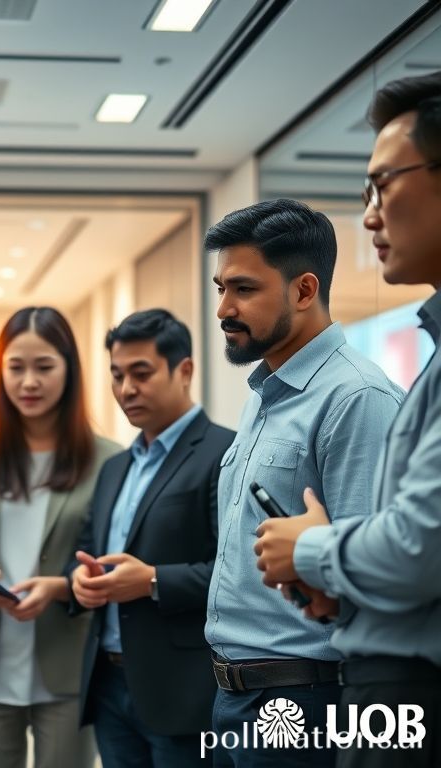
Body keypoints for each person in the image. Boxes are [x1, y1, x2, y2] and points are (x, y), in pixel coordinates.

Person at [255, 72, 441, 767]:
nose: (368, 217)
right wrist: (341, 590)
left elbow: (417, 551)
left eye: (383, 185)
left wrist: (308, 551)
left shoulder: (358, 393)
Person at [203, 199, 404, 767]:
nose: (223, 307)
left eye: (243, 289)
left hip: (304, 701)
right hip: (235, 697)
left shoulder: (357, 399)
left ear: (304, 290)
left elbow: (378, 578)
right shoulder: (265, 395)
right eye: (221, 287)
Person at [0, 306, 120, 768]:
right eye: (16, 368)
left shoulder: (108, 459)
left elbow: (114, 561)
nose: (28, 382)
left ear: (69, 370)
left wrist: (60, 587)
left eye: (44, 367)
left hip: (69, 662)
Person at [69, 309, 235, 768]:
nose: (126, 390)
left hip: (184, 691)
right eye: (117, 376)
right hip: (108, 685)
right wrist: (79, 584)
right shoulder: (115, 468)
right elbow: (85, 555)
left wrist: (151, 581)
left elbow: (238, 573)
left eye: (141, 374)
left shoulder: (226, 453)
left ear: (184, 371)